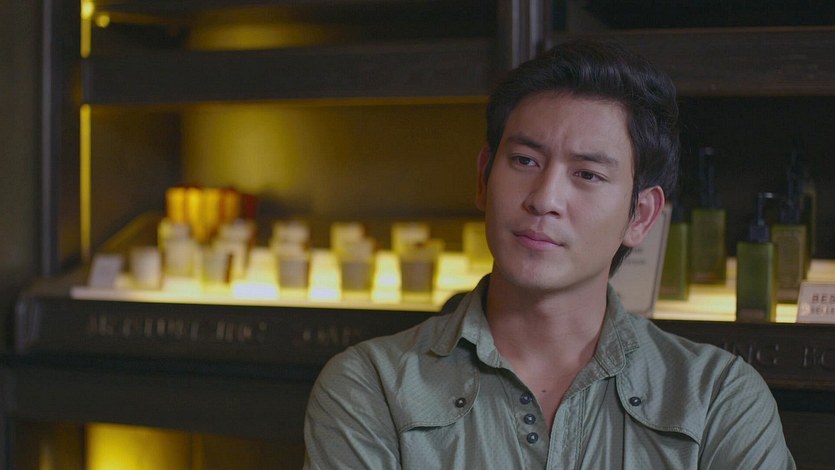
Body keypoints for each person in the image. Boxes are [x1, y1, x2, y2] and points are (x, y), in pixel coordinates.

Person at [303, 40, 795, 469]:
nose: (544, 199)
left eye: (587, 174)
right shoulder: (371, 386)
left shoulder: (718, 398)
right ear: (483, 178)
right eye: (524, 160)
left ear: (641, 216)